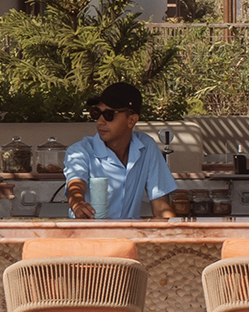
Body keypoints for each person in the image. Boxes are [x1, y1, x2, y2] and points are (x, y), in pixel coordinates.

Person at [63, 80, 180, 222]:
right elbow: (75, 186)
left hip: (130, 238)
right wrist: (78, 204)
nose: (100, 121)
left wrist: (177, 235)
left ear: (132, 120)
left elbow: (160, 204)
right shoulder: (80, 151)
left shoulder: (146, 147)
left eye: (109, 115)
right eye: (96, 113)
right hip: (90, 238)